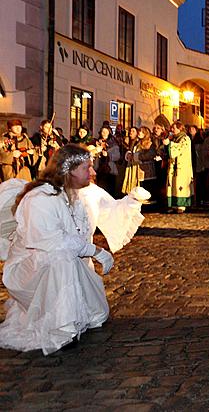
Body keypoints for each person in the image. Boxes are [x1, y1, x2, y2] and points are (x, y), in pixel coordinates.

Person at [0, 144, 148, 355]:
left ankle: (69, 314)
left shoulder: (73, 195)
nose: (93, 172)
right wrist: (96, 251)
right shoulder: (41, 199)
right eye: (87, 167)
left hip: (57, 259)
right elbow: (54, 242)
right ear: (69, 171)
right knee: (62, 258)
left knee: (97, 312)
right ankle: (60, 330)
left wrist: (131, 202)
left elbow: (78, 232)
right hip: (31, 266)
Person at [163, 122, 193, 213]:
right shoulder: (175, 138)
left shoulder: (185, 138)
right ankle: (173, 204)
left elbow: (179, 149)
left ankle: (181, 205)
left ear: (180, 128)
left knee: (180, 185)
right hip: (173, 165)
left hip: (182, 167)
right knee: (173, 184)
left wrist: (169, 144)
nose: (172, 130)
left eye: (174, 128)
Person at [92, 126, 120, 196]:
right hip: (99, 169)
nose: (104, 133)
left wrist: (108, 155)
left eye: (106, 132)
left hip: (109, 170)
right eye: (102, 132)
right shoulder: (97, 143)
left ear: (109, 133)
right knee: (100, 190)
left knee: (109, 191)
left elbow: (117, 156)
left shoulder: (113, 143)